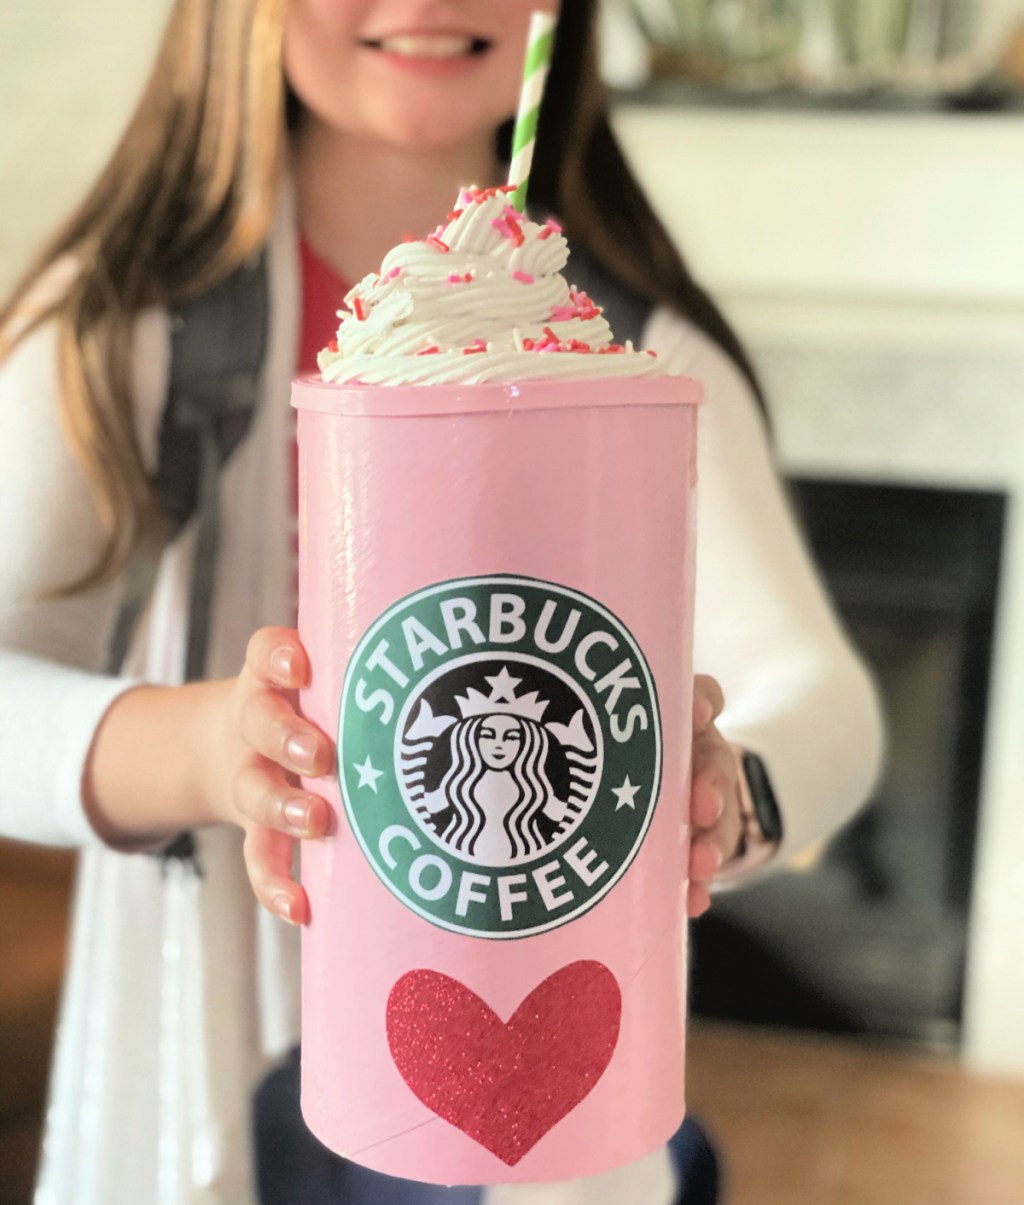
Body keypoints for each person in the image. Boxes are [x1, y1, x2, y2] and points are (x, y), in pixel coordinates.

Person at [0, 1, 883, 1202]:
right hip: (208, 1003)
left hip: (541, 1075)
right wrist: (215, 749)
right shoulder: (124, 326)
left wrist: (730, 791)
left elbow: (824, 692)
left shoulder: (634, 361)